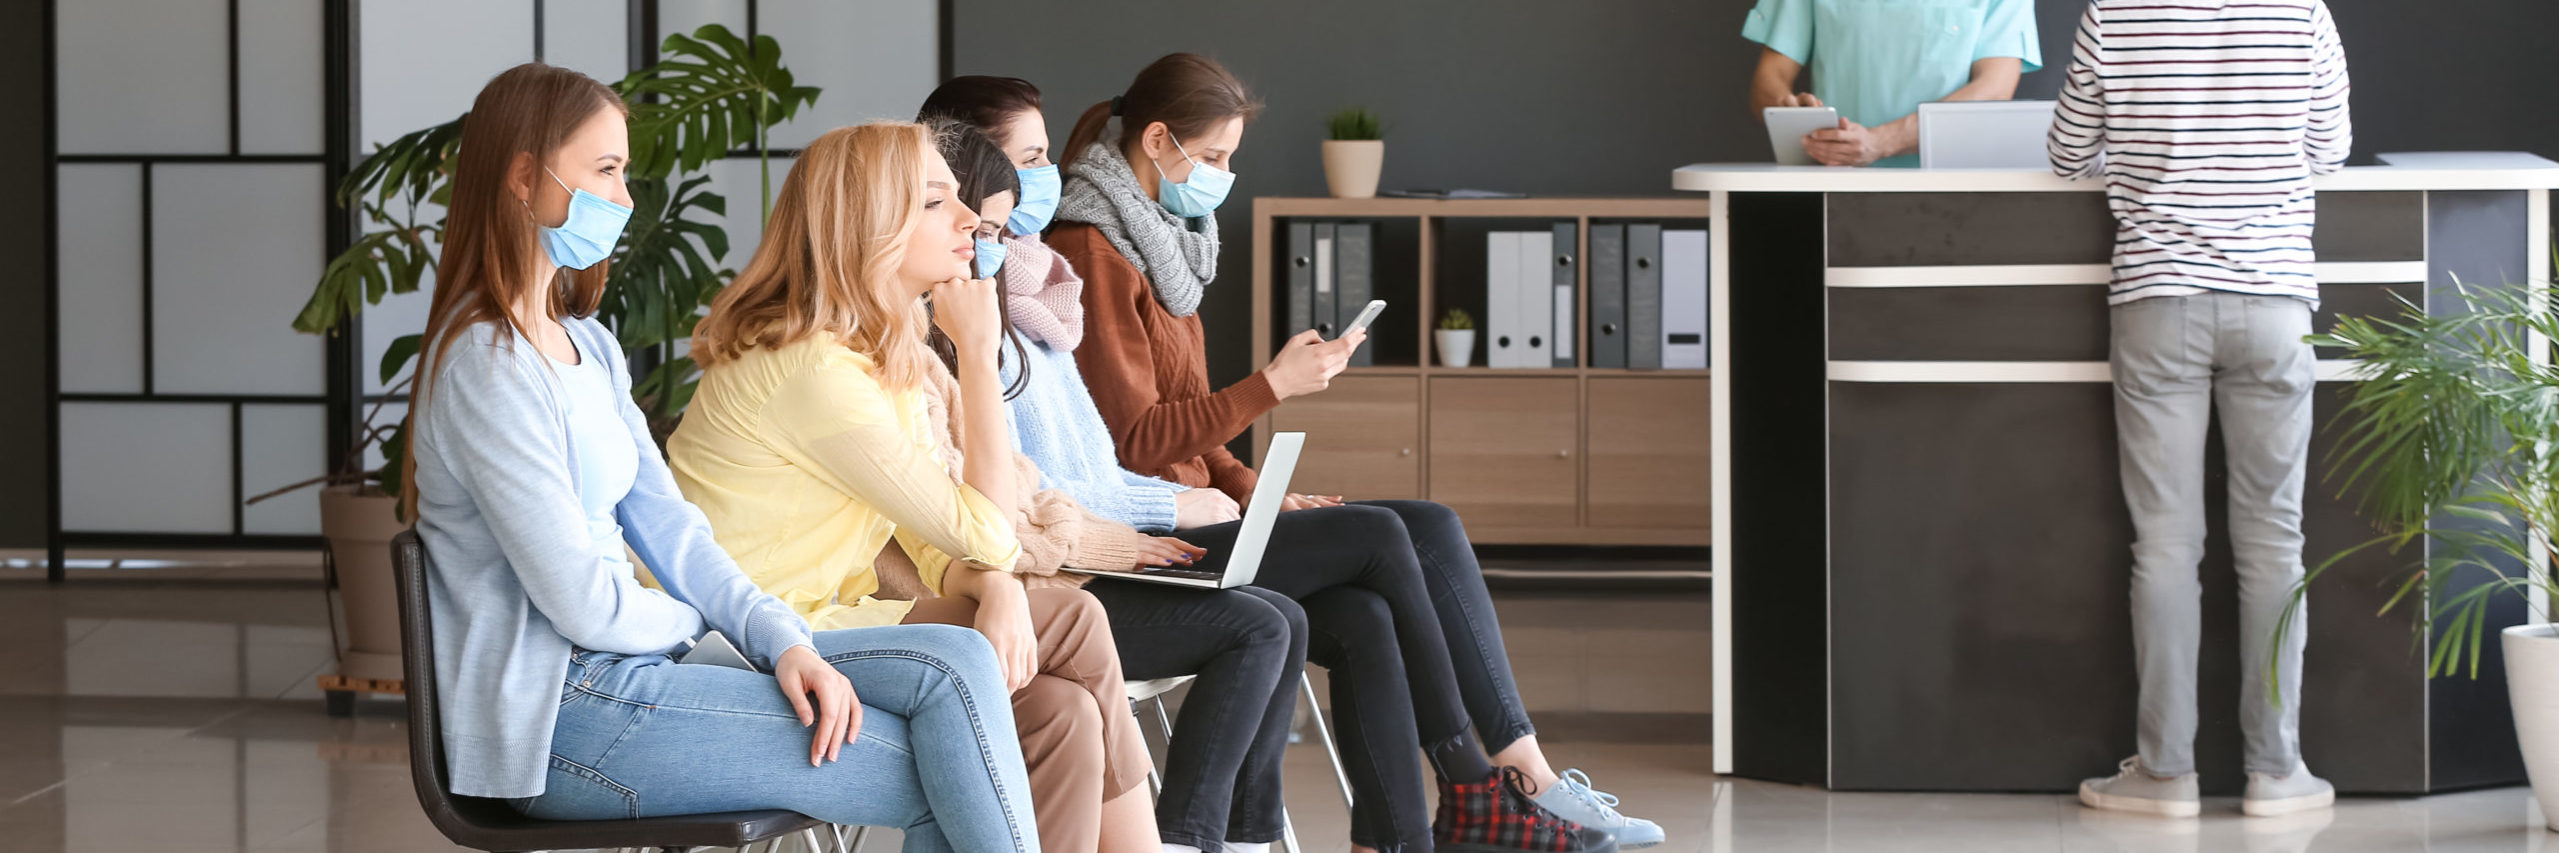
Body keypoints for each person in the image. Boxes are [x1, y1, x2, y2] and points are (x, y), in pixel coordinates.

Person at [402, 63, 1036, 852]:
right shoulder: (484, 367)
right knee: (950, 766)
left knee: (958, 657)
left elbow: (675, 531)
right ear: (525, 178)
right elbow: (580, 603)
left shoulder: (588, 346)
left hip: (644, 670)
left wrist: (781, 639)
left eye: (623, 172)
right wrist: (712, 634)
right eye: (605, 170)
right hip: (562, 717)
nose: (625, 198)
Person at [1045, 54, 1663, 851]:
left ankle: (1431, 821)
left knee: (1396, 570)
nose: (1225, 175)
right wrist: (1271, 384)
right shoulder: (1094, 251)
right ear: (1158, 140)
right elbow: (1135, 443)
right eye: (1216, 157)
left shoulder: (1163, 240)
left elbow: (1189, 430)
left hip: (1201, 510)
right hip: (1145, 536)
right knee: (1382, 536)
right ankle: (1487, 781)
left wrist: (1259, 488)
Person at [666, 121, 1151, 853]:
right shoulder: (816, 371)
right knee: (1074, 621)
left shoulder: (871, 354)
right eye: (934, 202)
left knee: (1060, 712)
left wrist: (995, 588)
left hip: (827, 615)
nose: (967, 220)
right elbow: (989, 530)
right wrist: (980, 356)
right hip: (751, 639)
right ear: (867, 226)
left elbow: (938, 541)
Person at [919, 79, 1309, 853]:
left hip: (1085, 548)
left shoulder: (1031, 309)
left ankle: (1242, 837)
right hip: (1050, 571)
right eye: (1027, 158)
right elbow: (996, 504)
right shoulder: (964, 326)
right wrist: (1150, 517)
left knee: (1296, 609)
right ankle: (1198, 838)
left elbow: (1065, 471)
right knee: (1274, 616)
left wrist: (1192, 498)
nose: (1045, 179)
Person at [2048, 0, 2351, 818]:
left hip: (2157, 300)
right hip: (2274, 304)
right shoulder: (2301, 14)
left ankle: (2164, 773)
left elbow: (2066, 153)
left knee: (2166, 545)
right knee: (2272, 543)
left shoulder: (2113, 16)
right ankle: (2276, 770)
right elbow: (2329, 148)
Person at [1742, 0, 2041, 166]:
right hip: (1832, 189)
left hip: (1955, 191)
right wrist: (1788, 111)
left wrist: (1881, 142)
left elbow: (1995, 88)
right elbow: (1769, 80)